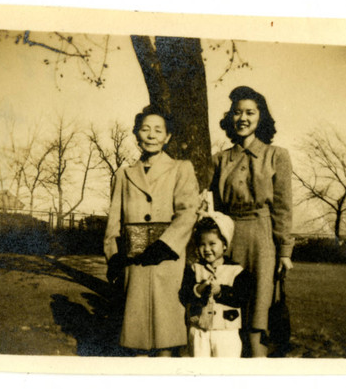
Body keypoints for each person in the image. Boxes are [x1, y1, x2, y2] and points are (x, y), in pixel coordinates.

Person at [103, 105, 199, 356]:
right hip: (133, 263)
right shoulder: (123, 174)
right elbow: (114, 221)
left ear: (167, 137)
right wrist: (113, 255)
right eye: (145, 129)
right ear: (136, 134)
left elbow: (188, 212)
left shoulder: (181, 168)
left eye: (158, 130)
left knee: (166, 336)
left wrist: (166, 244)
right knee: (136, 338)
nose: (152, 135)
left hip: (166, 259)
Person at [209, 86, 295, 357]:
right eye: (237, 112)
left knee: (259, 312)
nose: (243, 118)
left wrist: (284, 252)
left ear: (261, 117)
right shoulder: (220, 160)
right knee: (228, 309)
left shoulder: (276, 155)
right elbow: (215, 208)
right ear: (230, 118)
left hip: (262, 240)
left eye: (250, 112)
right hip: (228, 238)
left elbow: (282, 208)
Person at [180, 212, 251, 357]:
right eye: (202, 244)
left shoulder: (236, 271)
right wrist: (198, 290)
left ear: (224, 245)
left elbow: (242, 297)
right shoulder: (194, 269)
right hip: (199, 330)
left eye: (212, 244)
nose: (206, 249)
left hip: (226, 332)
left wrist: (220, 291)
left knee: (225, 369)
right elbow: (184, 295)